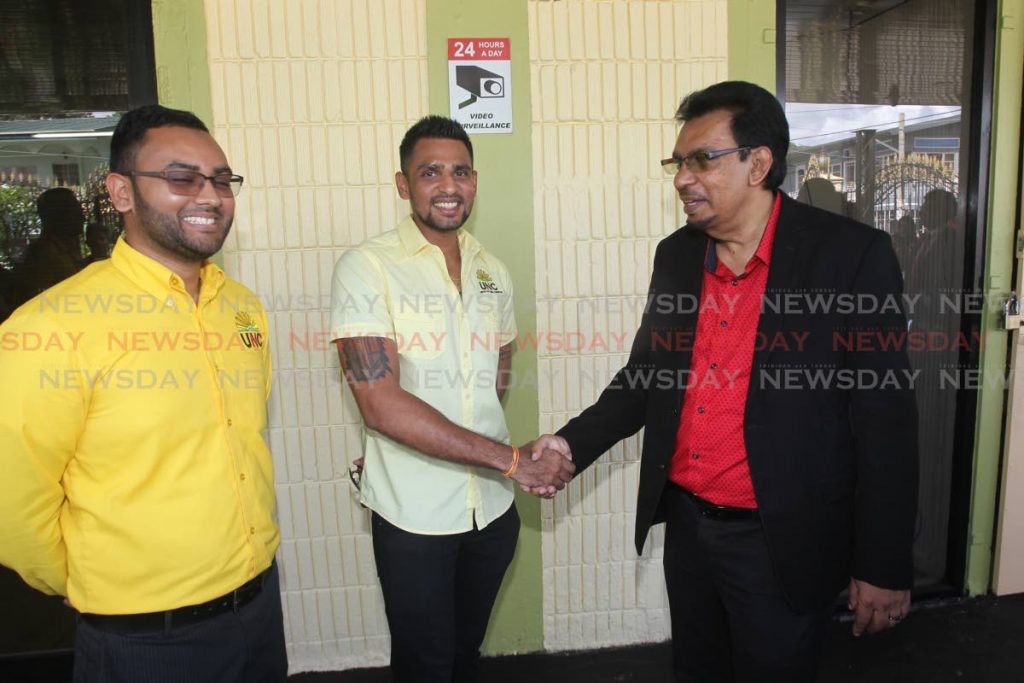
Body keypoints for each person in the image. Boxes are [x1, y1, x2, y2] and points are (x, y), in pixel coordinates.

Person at [540, 81, 919, 682]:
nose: (682, 179)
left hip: (784, 540)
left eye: (702, 160)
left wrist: (884, 563)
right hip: (690, 532)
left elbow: (886, 425)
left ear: (758, 163)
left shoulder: (850, 258)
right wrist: (569, 445)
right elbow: (646, 377)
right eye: (677, 162)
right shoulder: (679, 257)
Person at [0, 104, 286, 682]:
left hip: (257, 608)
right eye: (181, 178)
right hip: (145, 638)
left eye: (222, 179)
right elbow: (13, 504)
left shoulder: (241, 308)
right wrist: (87, 578)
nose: (211, 195)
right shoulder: (50, 328)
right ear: (121, 192)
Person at [329, 115, 574, 682]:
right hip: (414, 518)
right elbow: (380, 405)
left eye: (460, 172)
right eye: (430, 172)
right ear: (402, 183)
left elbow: (499, 360)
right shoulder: (367, 267)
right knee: (425, 665)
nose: (448, 185)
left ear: (475, 181)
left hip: (491, 512)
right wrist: (509, 459)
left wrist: (473, 444)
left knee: (465, 656)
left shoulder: (492, 271)